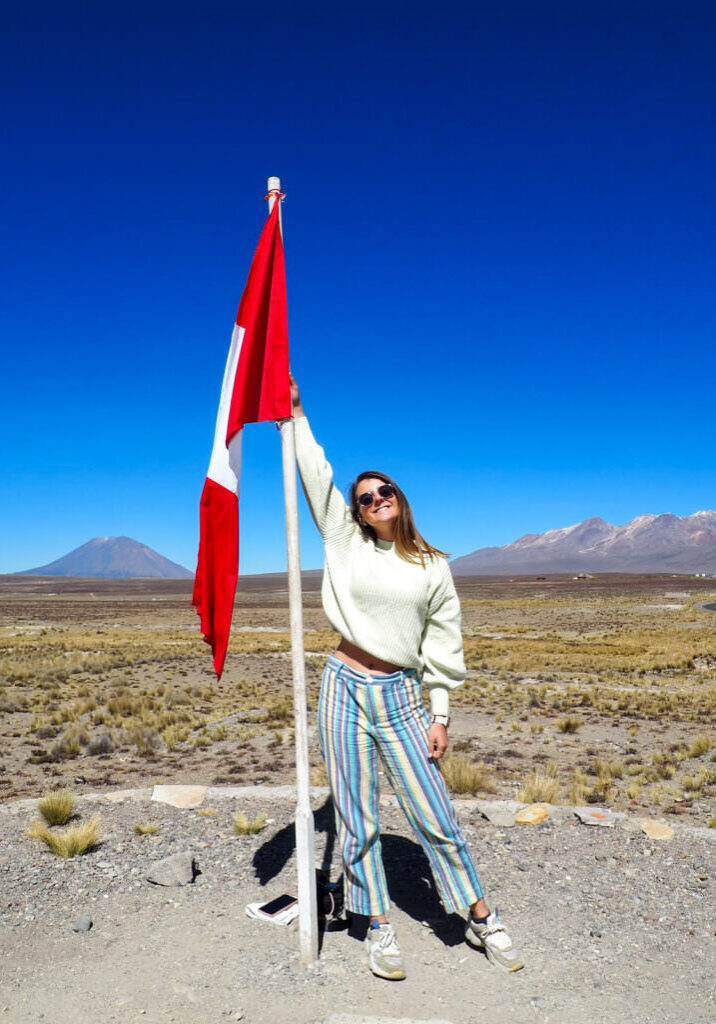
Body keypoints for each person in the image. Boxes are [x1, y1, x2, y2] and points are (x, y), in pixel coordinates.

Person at [290, 375, 523, 981]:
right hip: (342, 686)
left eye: (383, 490)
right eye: (364, 497)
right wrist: (296, 414)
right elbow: (316, 477)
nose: (374, 500)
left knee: (434, 814)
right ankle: (379, 926)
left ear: (401, 497)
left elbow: (442, 646)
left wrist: (440, 714)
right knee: (357, 817)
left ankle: (481, 915)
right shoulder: (345, 541)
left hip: (399, 697)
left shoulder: (433, 566)